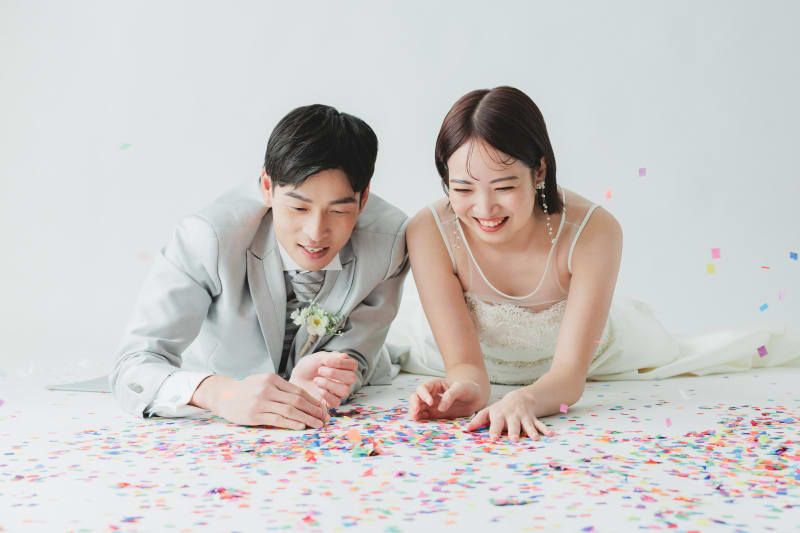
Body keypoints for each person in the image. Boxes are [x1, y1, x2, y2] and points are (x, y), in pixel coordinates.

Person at [389, 86, 800, 442]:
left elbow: (570, 375)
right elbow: (464, 364)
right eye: (462, 189)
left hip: (593, 356)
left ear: (539, 171)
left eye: (504, 186)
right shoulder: (429, 230)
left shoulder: (594, 231)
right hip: (451, 352)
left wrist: (526, 399)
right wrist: (467, 391)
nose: (484, 208)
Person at [110, 104, 409, 429]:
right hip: (222, 391)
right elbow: (133, 365)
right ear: (267, 187)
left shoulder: (390, 241)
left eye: (337, 211)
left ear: (363, 199)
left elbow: (357, 355)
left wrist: (326, 381)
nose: (315, 232)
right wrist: (220, 394)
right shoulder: (208, 238)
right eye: (298, 208)